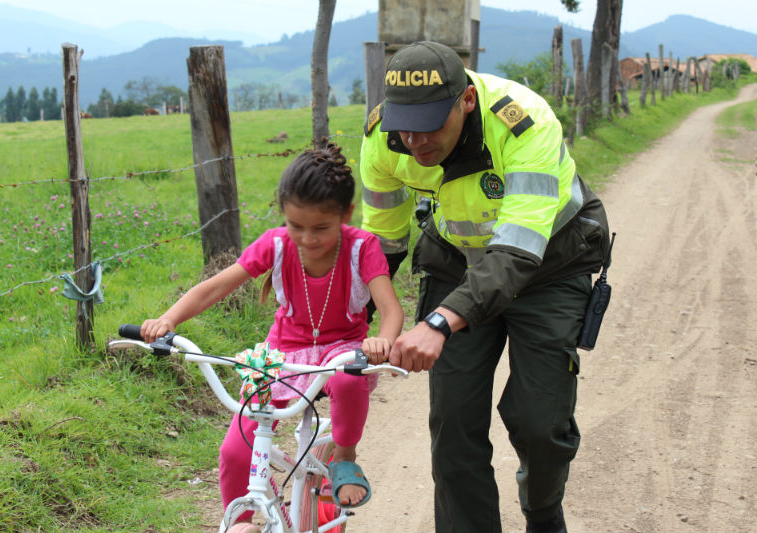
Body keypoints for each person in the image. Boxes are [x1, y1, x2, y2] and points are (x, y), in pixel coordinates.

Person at [359, 41, 611, 533]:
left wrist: (437, 321)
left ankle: (542, 515)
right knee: (453, 424)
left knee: (540, 423)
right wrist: (350, 323)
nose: (415, 141)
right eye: (404, 125)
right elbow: (382, 246)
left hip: (548, 266)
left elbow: (517, 253)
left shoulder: (523, 121)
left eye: (431, 124)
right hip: (456, 265)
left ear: (466, 102)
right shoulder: (383, 139)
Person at [140, 143, 404, 532]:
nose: (307, 239)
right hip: (283, 353)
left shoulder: (361, 248)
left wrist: (383, 340)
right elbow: (215, 288)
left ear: (346, 215)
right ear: (284, 216)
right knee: (234, 449)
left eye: (321, 228)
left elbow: (391, 309)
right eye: (296, 226)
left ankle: (344, 458)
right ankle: (242, 521)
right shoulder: (277, 245)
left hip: (342, 348)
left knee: (348, 380)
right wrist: (168, 319)